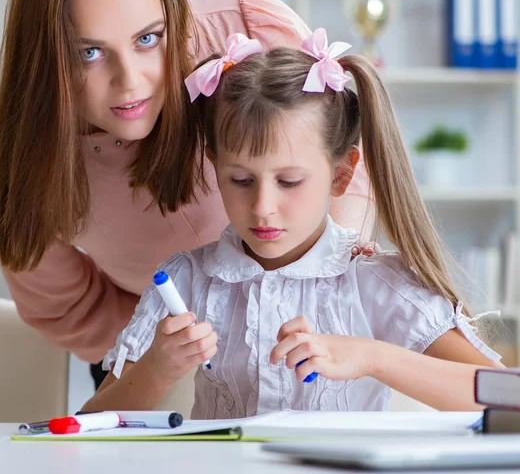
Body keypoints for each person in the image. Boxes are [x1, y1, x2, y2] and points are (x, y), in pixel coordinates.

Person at [0, 0, 373, 389]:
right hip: (160, 355)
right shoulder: (9, 170)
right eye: (89, 53)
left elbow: (339, 160)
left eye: (147, 39)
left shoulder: (241, 33)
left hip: (308, 333)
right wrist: (165, 352)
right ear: (43, 57)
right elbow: (70, 308)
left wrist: (321, 297)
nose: (130, 81)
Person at [83, 29, 502, 418]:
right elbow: (85, 427)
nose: (263, 207)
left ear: (341, 174)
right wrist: (156, 369)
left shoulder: (375, 283)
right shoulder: (186, 280)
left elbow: (508, 397)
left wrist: (374, 357)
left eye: (289, 181)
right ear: (214, 164)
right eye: (241, 180)